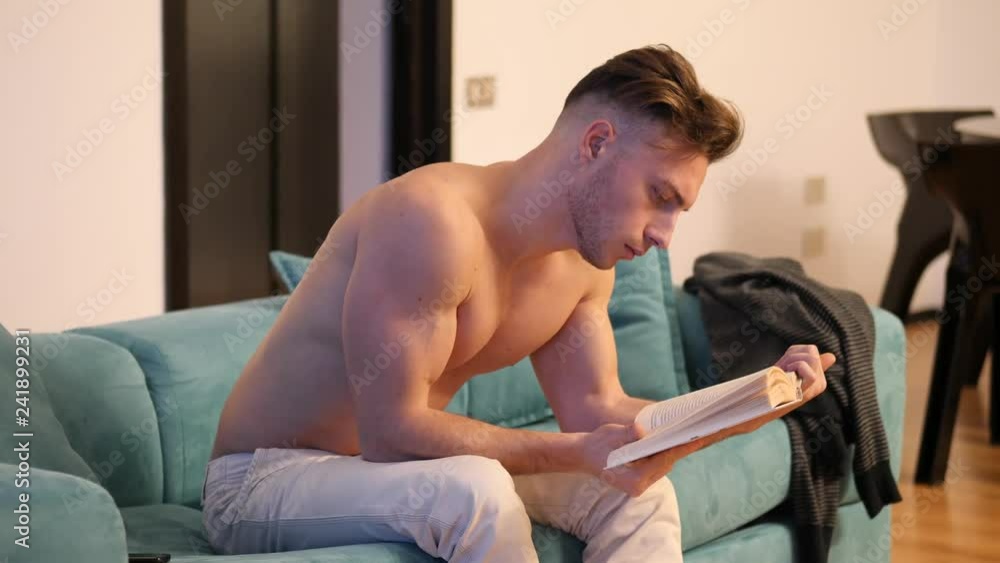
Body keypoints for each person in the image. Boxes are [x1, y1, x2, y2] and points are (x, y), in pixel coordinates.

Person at [201, 43, 835, 562]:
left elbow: (600, 412)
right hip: (264, 482)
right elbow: (391, 435)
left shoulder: (584, 271)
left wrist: (753, 401)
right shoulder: (430, 221)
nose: (664, 235)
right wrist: (576, 453)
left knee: (642, 500)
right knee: (473, 489)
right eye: (659, 196)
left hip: (396, 472)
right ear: (596, 144)